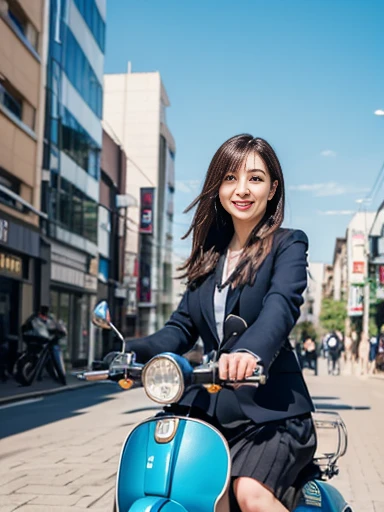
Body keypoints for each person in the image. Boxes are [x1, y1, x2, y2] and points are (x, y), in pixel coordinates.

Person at [124, 135, 316, 512]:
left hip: (273, 413)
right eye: (230, 178)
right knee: (177, 485)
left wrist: (248, 352)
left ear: (273, 189)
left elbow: (281, 306)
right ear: (218, 187)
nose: (242, 189)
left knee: (249, 494)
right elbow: (179, 329)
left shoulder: (288, 244)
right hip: (209, 412)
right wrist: (128, 349)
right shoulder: (209, 257)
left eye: (256, 179)